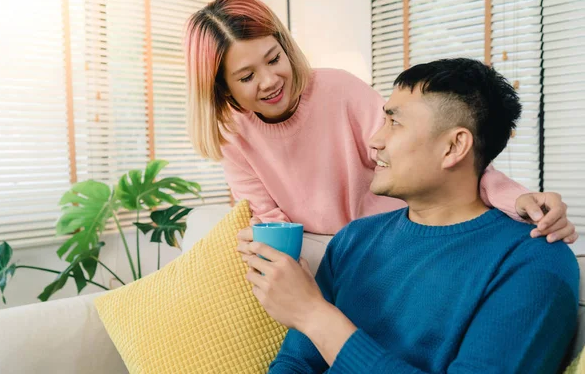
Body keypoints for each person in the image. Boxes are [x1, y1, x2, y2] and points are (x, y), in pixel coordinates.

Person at [244, 58, 580, 373]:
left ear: (453, 147)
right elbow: (295, 363)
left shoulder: (534, 263)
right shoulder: (354, 240)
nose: (375, 140)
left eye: (394, 122)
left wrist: (313, 314)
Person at [182, 0, 578, 249]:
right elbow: (270, 222)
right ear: (221, 90)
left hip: (394, 239)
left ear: (285, 46)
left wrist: (518, 198)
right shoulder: (232, 135)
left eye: (273, 58)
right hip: (325, 255)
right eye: (247, 77)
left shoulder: (339, 89)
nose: (270, 81)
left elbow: (437, 157)